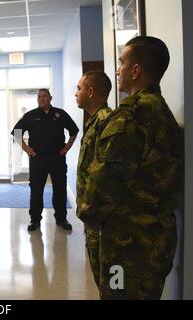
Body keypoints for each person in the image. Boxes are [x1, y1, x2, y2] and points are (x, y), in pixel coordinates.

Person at [77, 36, 183, 299]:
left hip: (128, 246)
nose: (117, 69)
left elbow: (105, 185)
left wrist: (87, 216)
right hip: (157, 238)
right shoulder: (162, 110)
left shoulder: (130, 116)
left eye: (122, 62)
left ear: (136, 71)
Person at [11, 89, 79, 232]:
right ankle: (35, 220)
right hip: (38, 159)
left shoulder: (60, 114)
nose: (41, 99)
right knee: (36, 190)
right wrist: (27, 149)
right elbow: (17, 132)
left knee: (60, 189)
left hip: (57, 158)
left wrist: (67, 147)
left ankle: (61, 218)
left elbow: (74, 130)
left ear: (50, 98)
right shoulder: (30, 116)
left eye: (44, 96)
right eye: (39, 97)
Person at [74, 71, 113, 287]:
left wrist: (90, 209)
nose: (75, 93)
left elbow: (105, 173)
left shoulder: (106, 121)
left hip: (100, 216)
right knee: (101, 277)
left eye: (79, 88)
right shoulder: (93, 121)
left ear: (90, 92)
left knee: (110, 280)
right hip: (93, 215)